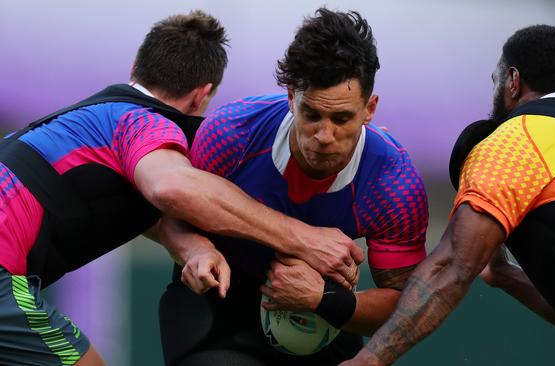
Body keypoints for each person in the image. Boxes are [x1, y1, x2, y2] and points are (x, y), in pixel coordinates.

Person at [0, 10, 363, 366]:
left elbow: (147, 209)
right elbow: (172, 188)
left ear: (135, 68)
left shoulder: (81, 121)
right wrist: (303, 239)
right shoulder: (145, 123)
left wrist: (195, 249)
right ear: (201, 95)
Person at [342, 24, 555, 366]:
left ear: (513, 81)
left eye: (495, 80)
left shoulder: (515, 139)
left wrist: (368, 359)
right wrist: (507, 277)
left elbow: (449, 266)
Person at [158, 8, 430, 366]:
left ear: (370, 108)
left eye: (342, 118)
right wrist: (193, 251)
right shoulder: (231, 135)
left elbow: (407, 304)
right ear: (291, 96)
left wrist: (324, 299)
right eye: (312, 114)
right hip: (215, 305)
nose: (324, 136)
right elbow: (160, 215)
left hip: (325, 317)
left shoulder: (393, 184)